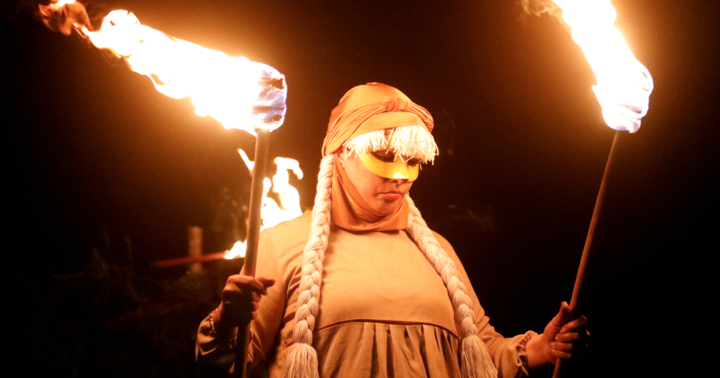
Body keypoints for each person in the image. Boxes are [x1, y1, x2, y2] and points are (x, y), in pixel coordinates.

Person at [196, 83, 587, 378]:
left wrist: (536, 349)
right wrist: (229, 320)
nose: (400, 175)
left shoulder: (438, 252)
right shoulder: (282, 245)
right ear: (342, 155)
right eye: (383, 157)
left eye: (413, 160)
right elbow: (228, 366)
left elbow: (480, 352)